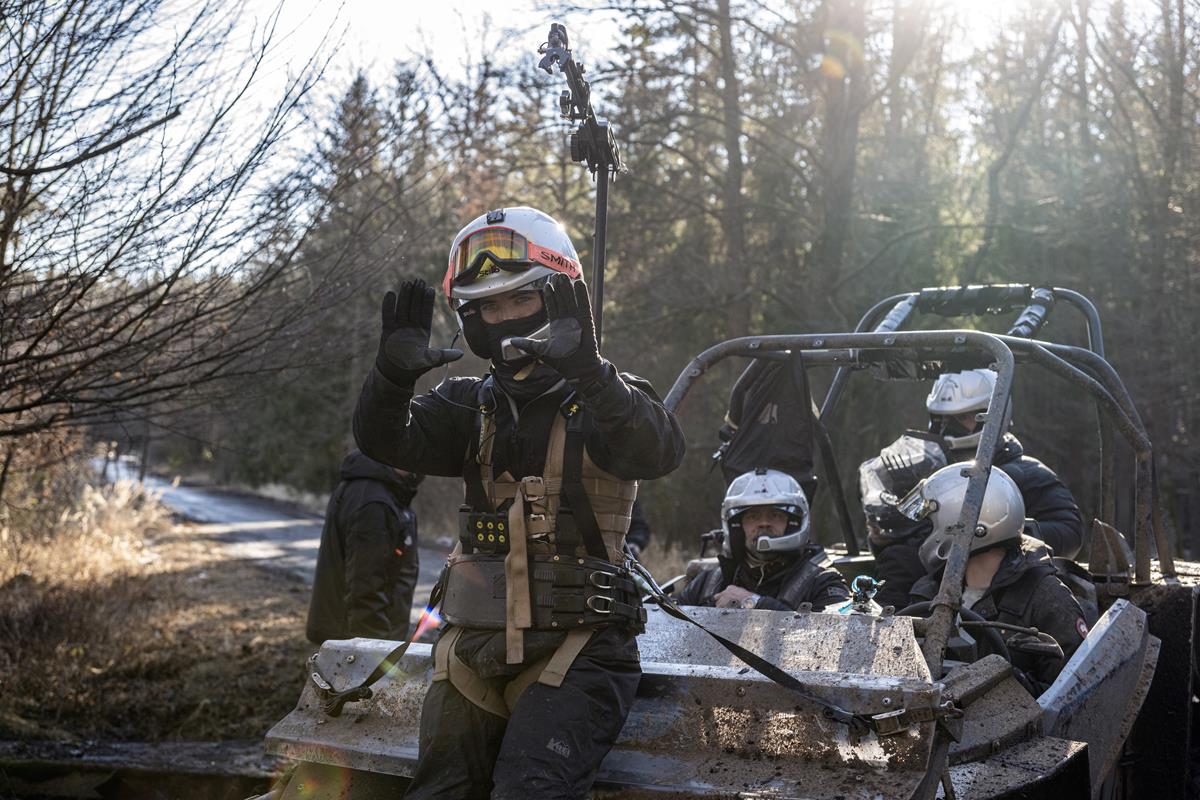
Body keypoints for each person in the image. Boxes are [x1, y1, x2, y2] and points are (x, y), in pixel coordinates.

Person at [353, 206, 685, 799]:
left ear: (558, 300)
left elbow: (658, 451)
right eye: (487, 308)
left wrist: (591, 372)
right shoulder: (465, 403)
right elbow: (384, 439)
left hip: (580, 652)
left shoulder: (610, 399)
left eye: (519, 301)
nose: (503, 320)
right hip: (470, 647)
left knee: (528, 792)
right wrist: (390, 377)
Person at [863, 368, 1084, 608]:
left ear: (992, 415)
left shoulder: (1029, 474)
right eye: (941, 419)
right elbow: (916, 534)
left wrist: (997, 535)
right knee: (899, 561)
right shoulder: (934, 473)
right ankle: (879, 632)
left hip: (1001, 584)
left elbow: (1070, 531)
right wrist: (883, 537)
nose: (947, 429)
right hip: (935, 579)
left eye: (961, 418)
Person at [901, 464, 1089, 694]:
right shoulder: (929, 591)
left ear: (971, 525)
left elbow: (1074, 696)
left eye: (931, 522)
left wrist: (1010, 685)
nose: (923, 533)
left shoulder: (1048, 598)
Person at [677, 469, 849, 611]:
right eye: (753, 516)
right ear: (737, 526)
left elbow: (838, 640)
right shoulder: (708, 584)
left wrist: (753, 603)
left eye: (775, 515)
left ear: (793, 523)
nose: (764, 523)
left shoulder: (822, 583)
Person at [306, 450, 423, 644]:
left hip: (352, 641)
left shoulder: (383, 491)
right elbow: (365, 586)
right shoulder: (374, 501)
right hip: (353, 646)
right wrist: (375, 653)